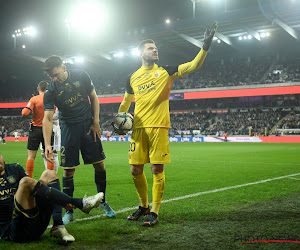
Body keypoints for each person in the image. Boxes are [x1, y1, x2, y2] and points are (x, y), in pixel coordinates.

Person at [114, 21, 218, 226]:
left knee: (156, 169)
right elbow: (126, 101)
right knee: (135, 170)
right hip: (138, 128)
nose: (155, 50)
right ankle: (143, 206)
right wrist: (120, 119)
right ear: (141, 53)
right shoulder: (132, 77)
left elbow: (193, 65)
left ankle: (154, 211)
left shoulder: (166, 71)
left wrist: (205, 45)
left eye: (156, 48)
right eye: (151, 48)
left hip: (159, 127)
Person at [42, 56, 115, 224]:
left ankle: (103, 201)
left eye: (56, 74)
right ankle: (69, 210)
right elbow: (47, 118)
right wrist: (47, 143)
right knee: (68, 171)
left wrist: (96, 122)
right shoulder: (51, 90)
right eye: (51, 76)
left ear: (64, 67)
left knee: (100, 164)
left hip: (88, 126)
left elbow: (94, 97)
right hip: (68, 129)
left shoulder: (81, 75)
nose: (54, 79)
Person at [0, 152, 103, 243]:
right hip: (16, 231)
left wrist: (59, 198)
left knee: (49, 173)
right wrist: (63, 201)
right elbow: (26, 185)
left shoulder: (14, 168)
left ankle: (57, 225)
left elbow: (33, 190)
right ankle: (79, 203)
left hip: (37, 223)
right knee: (25, 182)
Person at [22, 81, 55, 178]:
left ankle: (30, 180)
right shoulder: (52, 99)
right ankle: (51, 181)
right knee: (49, 155)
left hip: (35, 129)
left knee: (31, 157)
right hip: (48, 129)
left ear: (38, 89)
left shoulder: (34, 99)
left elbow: (24, 113)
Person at [41, 108, 60, 173]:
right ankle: (49, 172)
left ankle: (53, 175)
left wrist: (46, 115)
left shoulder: (57, 102)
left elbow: (56, 116)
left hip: (54, 128)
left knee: (52, 152)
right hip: (44, 128)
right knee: (44, 152)